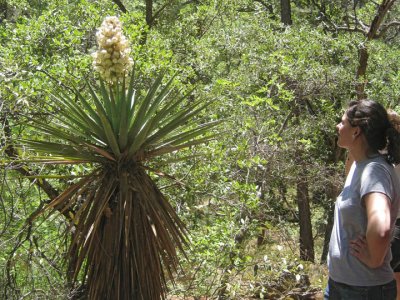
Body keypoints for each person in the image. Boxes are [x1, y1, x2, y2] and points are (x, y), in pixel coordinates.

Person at [325, 99, 400, 299]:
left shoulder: (374, 171)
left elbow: (381, 224)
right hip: (341, 284)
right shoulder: (359, 165)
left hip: (364, 289)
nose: (338, 126)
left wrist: (373, 259)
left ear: (356, 131)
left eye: (342, 122)